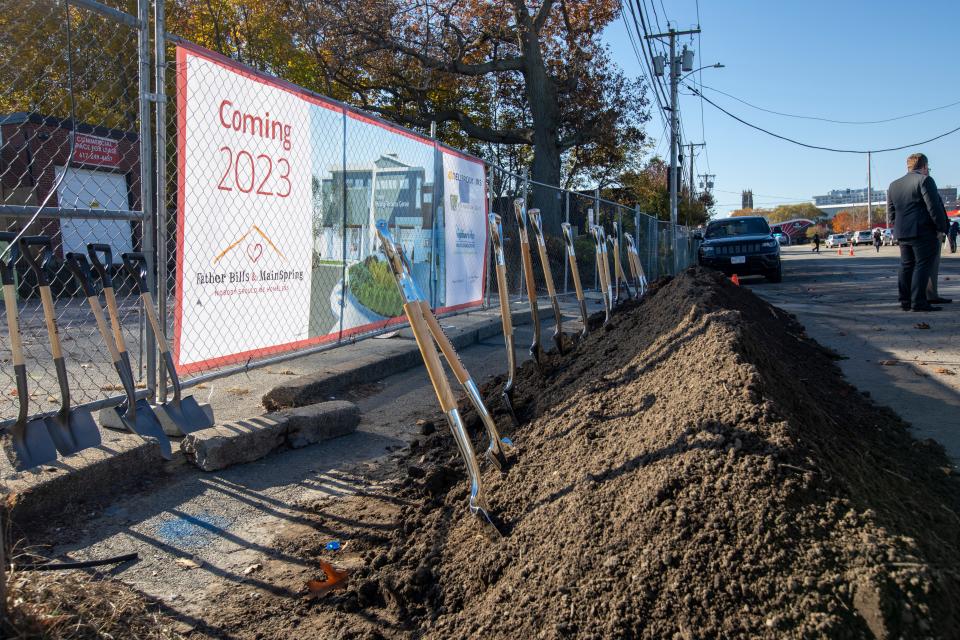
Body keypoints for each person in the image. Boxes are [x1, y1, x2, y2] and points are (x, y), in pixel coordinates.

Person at [886, 152, 949, 311]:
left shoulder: (893, 185)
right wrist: (941, 227)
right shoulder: (925, 180)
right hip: (923, 232)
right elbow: (933, 207)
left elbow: (891, 213)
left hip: (902, 232)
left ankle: (905, 301)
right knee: (922, 266)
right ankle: (918, 302)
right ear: (925, 166)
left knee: (906, 266)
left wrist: (899, 227)